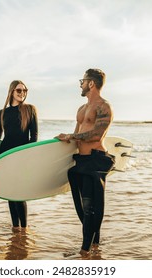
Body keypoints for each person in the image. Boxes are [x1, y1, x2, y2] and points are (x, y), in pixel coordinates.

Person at [56, 68, 115, 256]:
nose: (80, 84)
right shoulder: (81, 109)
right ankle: (94, 243)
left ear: (91, 83)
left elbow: (97, 134)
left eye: (82, 81)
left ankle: (84, 251)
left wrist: (72, 135)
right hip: (81, 161)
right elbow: (76, 137)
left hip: (96, 161)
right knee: (82, 207)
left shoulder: (104, 107)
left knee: (91, 207)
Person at [0, 80, 38, 232]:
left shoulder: (30, 110)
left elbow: (34, 136)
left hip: (21, 156)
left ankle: (24, 228)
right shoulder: (3, 113)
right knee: (9, 193)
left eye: (25, 90)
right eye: (19, 90)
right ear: (11, 91)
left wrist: (28, 156)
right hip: (4, 155)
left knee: (19, 193)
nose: (22, 93)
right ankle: (15, 228)